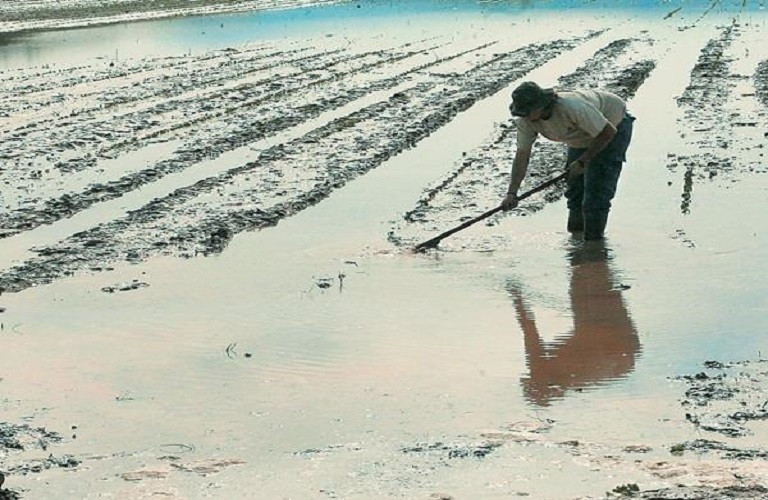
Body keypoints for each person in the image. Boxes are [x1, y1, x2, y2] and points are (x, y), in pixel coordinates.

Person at [502, 81, 635, 240]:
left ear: (541, 106)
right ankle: (576, 240)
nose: (524, 116)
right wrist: (512, 192)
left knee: (596, 193)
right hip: (580, 136)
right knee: (575, 188)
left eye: (527, 112)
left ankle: (593, 250)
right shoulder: (526, 120)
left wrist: (583, 161)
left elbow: (607, 132)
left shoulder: (572, 107)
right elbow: (522, 155)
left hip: (612, 125)